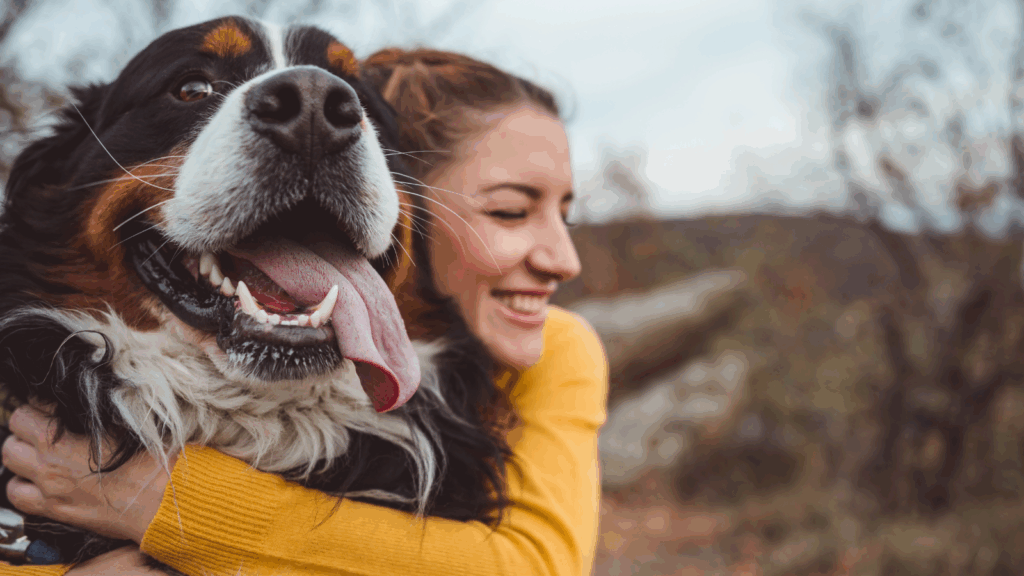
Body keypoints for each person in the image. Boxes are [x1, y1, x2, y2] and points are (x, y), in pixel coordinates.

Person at [0, 48, 609, 576]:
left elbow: (535, 565)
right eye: (509, 212)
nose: (565, 260)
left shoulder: (559, 345)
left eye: (566, 213)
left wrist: (166, 504)